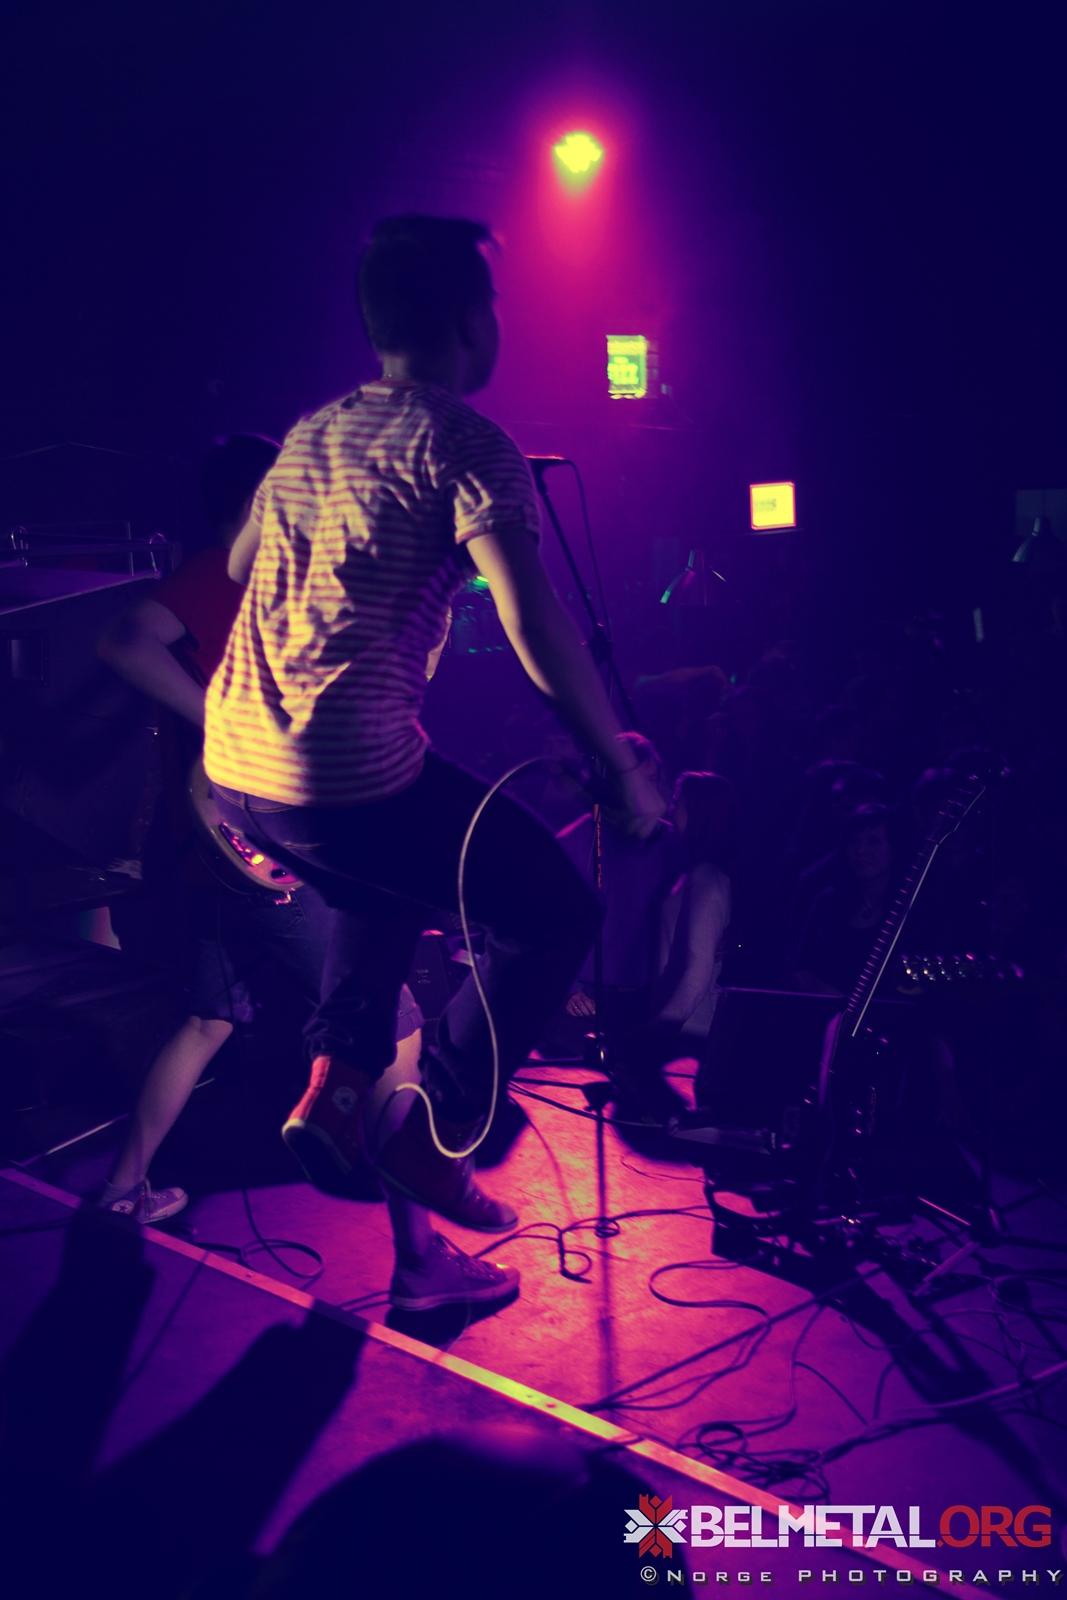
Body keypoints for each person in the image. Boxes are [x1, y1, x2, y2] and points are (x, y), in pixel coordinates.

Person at [202, 215, 663, 1306]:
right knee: (551, 911)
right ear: (468, 319)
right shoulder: (465, 442)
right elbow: (532, 618)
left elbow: (237, 561)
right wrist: (616, 760)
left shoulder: (313, 433)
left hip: (240, 769)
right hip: (337, 777)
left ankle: (336, 1087)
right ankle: (438, 1122)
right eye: (491, 303)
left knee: (392, 876)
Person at [556, 733, 679, 1054]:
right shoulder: (576, 840)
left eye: (652, 779)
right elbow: (551, 923)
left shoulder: (667, 840)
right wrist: (567, 989)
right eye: (638, 781)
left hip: (647, 995)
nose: (647, 790)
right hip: (586, 996)